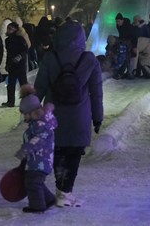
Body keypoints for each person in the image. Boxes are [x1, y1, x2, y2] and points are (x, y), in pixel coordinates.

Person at [34, 21, 103, 207]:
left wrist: (32, 111)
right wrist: (98, 117)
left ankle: (60, 189)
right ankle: (65, 191)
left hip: (52, 115)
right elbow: (96, 92)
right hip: (79, 116)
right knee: (73, 154)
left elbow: (39, 87)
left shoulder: (50, 57)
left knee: (58, 152)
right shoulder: (89, 59)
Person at [15, 84, 57, 213]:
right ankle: (49, 199)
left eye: (25, 114)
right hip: (37, 159)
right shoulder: (37, 123)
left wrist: (25, 149)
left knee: (32, 183)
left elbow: (38, 140)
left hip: (41, 160)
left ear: (33, 112)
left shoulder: (41, 125)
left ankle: (37, 206)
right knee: (35, 181)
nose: (24, 117)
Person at [2, 22, 29, 107]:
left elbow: (25, 50)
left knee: (23, 83)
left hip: (20, 64)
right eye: (8, 28)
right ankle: (10, 101)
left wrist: (20, 56)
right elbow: (9, 54)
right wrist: (7, 64)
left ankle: (26, 100)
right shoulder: (8, 40)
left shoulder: (20, 38)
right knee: (11, 84)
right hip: (12, 65)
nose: (8, 30)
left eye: (10, 29)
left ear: (14, 30)